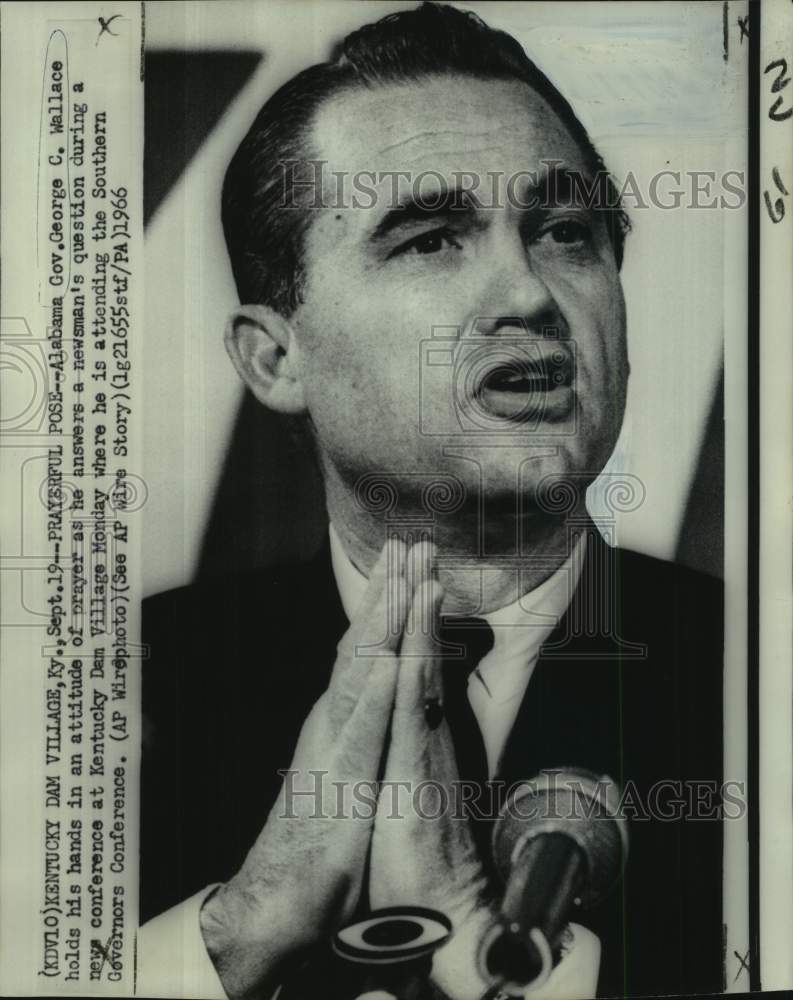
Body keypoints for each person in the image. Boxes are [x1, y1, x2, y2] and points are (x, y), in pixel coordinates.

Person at [139, 4, 724, 998]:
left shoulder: (755, 671)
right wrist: (232, 937)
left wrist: (481, 956)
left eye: (565, 231)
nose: (529, 293)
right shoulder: (132, 688)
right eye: (429, 240)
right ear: (276, 356)